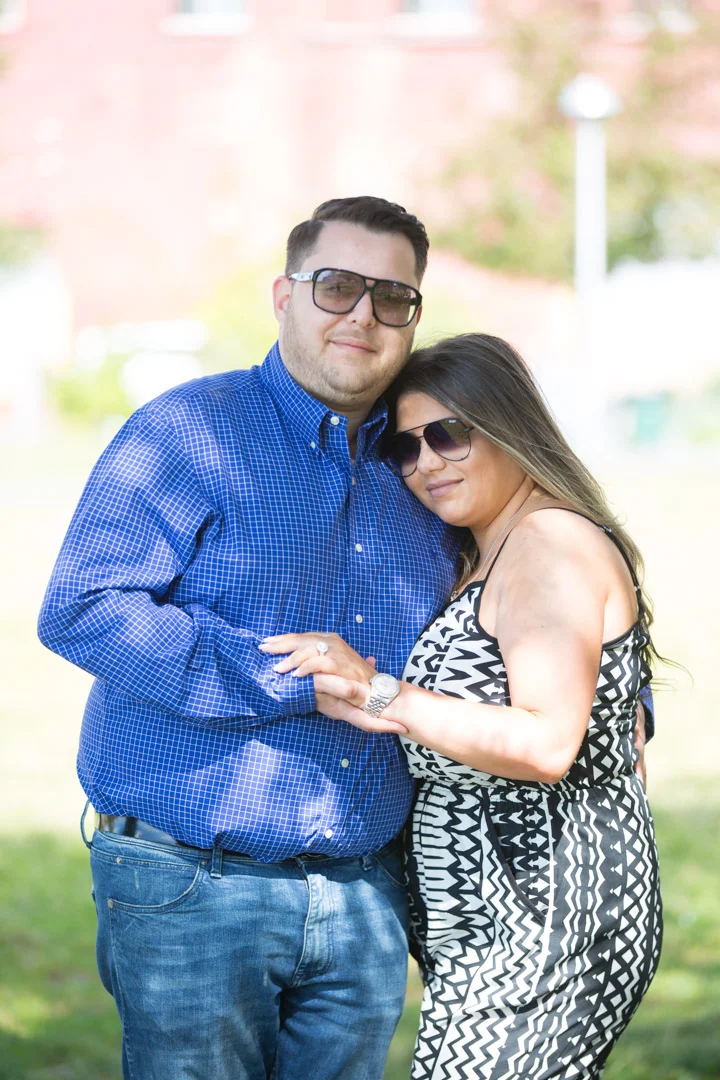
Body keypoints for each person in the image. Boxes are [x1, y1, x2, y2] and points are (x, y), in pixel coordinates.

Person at [37, 196, 465, 1080]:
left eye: (393, 297)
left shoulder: (428, 458)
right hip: (192, 881)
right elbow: (84, 605)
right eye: (337, 286)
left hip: (366, 888)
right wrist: (294, 677)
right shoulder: (188, 431)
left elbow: (522, 571)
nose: (363, 315)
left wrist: (612, 692)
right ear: (284, 295)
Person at [262, 333, 662, 1080]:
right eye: (404, 448)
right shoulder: (491, 547)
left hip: (549, 921)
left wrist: (382, 693)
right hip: (490, 934)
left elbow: (547, 744)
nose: (427, 464)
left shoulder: (547, 543)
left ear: (508, 424)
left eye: (448, 435)